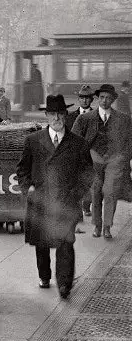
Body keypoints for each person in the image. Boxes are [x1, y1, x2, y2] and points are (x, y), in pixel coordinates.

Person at [16, 95, 94, 299]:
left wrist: (76, 194)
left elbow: (88, 173)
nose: (56, 118)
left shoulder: (78, 143)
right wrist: (28, 189)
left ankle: (64, 285)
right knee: (42, 244)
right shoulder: (33, 141)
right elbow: (22, 169)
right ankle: (44, 276)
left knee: (65, 243)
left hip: (66, 203)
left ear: (66, 115)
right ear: (47, 116)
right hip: (41, 201)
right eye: (52, 114)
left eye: (60, 113)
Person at [72, 83, 132, 239]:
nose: (105, 101)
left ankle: (107, 226)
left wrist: (124, 157)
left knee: (110, 192)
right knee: (96, 191)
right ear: (97, 98)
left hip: (114, 159)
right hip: (94, 158)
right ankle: (97, 225)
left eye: (108, 98)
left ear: (113, 100)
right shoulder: (85, 118)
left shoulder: (123, 119)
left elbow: (130, 141)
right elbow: (74, 140)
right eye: (102, 97)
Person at [66, 84, 96, 220]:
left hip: (92, 155)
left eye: (87, 98)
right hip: (76, 155)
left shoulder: (97, 117)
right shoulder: (71, 117)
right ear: (78, 99)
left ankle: (86, 205)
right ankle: (78, 212)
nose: (84, 101)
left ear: (91, 100)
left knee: (90, 181)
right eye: (82, 98)